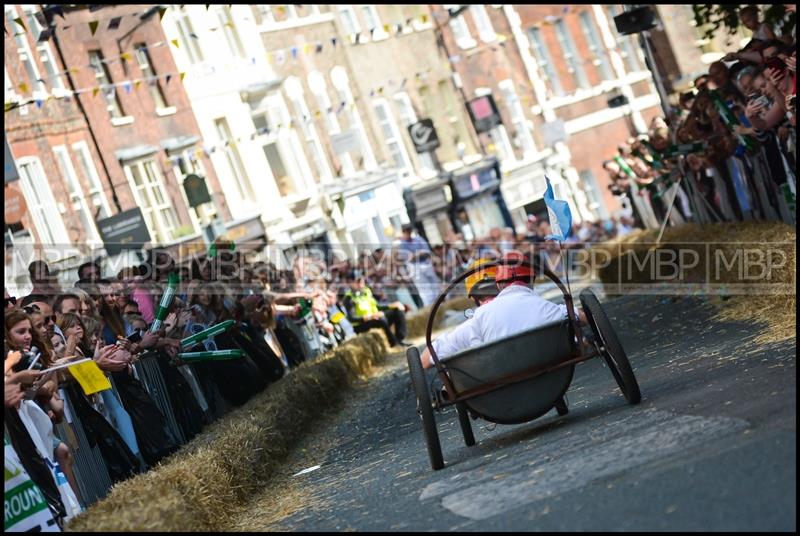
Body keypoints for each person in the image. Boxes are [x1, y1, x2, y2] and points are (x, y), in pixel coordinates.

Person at [422, 252, 586, 368]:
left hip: (500, 396)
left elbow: (425, 360)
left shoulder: (475, 322)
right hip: (554, 377)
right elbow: (586, 317)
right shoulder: (545, 307)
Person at [421, 258, 501, 368]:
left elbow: (424, 361)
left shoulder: (471, 327)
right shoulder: (528, 303)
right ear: (503, 284)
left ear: (472, 297)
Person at [342, 273, 408, 347]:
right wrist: (370, 316)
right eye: (358, 281)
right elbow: (352, 319)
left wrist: (392, 305)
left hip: (375, 318)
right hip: (362, 325)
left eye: (362, 281)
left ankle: (400, 339)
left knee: (397, 311)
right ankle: (395, 344)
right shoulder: (348, 298)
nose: (361, 283)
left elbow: (377, 306)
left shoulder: (366, 291)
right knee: (381, 320)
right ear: (350, 283)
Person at [397, 224, 442, 307]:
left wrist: (415, 255)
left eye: (409, 230)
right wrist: (418, 254)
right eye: (406, 231)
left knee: (435, 285)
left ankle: (440, 304)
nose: (408, 232)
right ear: (403, 232)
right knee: (425, 290)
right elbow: (408, 258)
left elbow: (426, 251)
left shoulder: (418, 239)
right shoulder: (402, 244)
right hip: (414, 267)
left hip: (425, 263)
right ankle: (431, 307)